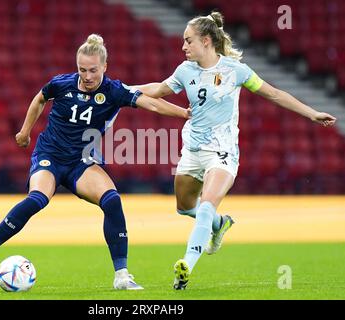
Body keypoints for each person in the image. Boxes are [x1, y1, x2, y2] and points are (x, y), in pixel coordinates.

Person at [0, 34, 190, 290]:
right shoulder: (61, 84)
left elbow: (152, 104)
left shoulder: (114, 91)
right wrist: (25, 132)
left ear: (105, 66)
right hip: (50, 155)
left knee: (112, 200)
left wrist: (184, 113)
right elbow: (40, 98)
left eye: (93, 70)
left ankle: (122, 276)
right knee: (37, 199)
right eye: (82, 69)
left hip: (81, 161)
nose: (88, 76)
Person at [135, 11, 337, 290]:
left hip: (222, 152)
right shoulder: (185, 71)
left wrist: (311, 113)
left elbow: (275, 94)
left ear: (206, 41)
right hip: (192, 150)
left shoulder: (235, 71)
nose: (183, 46)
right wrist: (120, 88)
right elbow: (157, 90)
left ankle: (186, 266)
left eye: (188, 40)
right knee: (184, 208)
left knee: (206, 203)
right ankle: (220, 225)